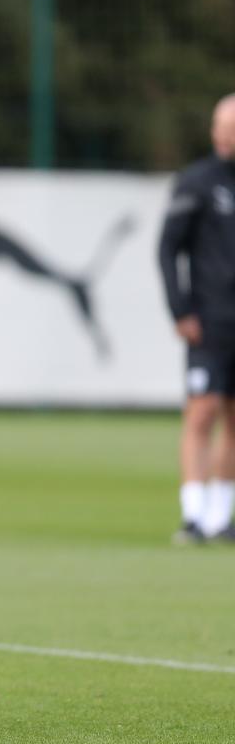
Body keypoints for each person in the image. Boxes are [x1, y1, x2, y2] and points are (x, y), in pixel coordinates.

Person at [159, 93, 235, 545]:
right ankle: (194, 514)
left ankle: (222, 516)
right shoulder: (195, 183)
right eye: (222, 126)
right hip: (209, 322)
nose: (226, 134)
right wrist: (180, 308)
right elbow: (168, 248)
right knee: (202, 411)